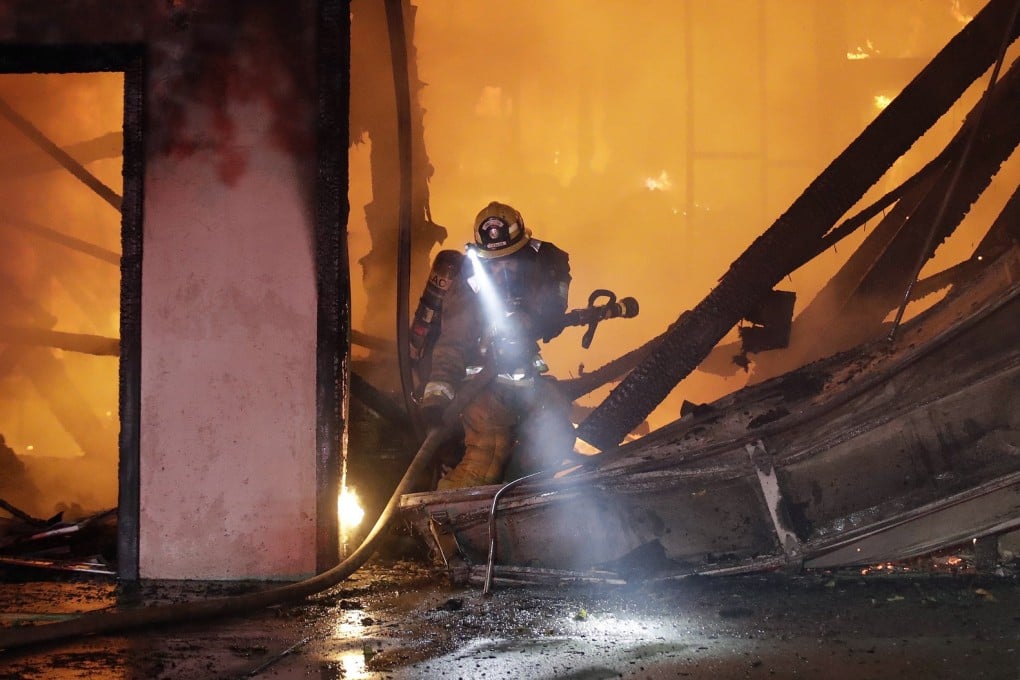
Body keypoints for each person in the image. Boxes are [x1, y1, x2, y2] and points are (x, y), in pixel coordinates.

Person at [420, 201, 576, 489]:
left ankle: (515, 497)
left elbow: (551, 303)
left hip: (522, 382)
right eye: (495, 263)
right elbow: (451, 344)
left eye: (511, 260)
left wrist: (542, 318)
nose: (503, 270)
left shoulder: (534, 279)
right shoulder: (469, 290)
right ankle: (441, 519)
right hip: (479, 386)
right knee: (490, 449)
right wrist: (436, 398)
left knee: (557, 433)